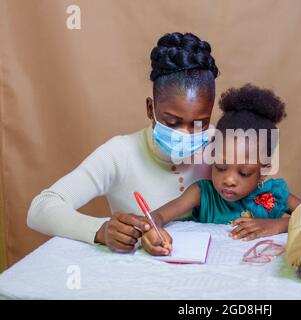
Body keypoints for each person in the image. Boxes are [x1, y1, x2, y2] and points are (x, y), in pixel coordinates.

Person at [27, 32, 219, 253]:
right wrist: (100, 229)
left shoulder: (221, 146)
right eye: (172, 122)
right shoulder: (120, 154)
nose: (186, 134)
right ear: (151, 109)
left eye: (200, 123)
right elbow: (40, 209)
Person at [142, 84, 301, 256]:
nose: (229, 180)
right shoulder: (202, 193)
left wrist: (279, 225)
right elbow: (157, 217)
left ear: (264, 170)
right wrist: (152, 230)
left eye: (244, 173)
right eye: (220, 167)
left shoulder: (275, 194)